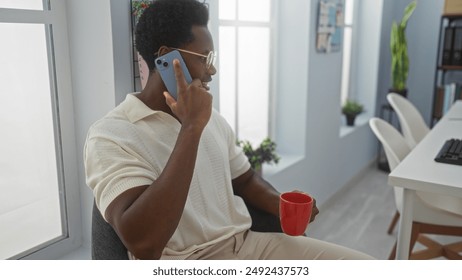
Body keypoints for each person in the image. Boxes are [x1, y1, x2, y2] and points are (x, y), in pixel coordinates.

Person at [84, 0, 373, 260]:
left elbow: (245, 180)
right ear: (167, 59)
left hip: (247, 247)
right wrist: (191, 128)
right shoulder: (111, 135)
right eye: (203, 58)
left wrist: (281, 204)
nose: (212, 71)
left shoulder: (214, 120)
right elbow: (145, 245)